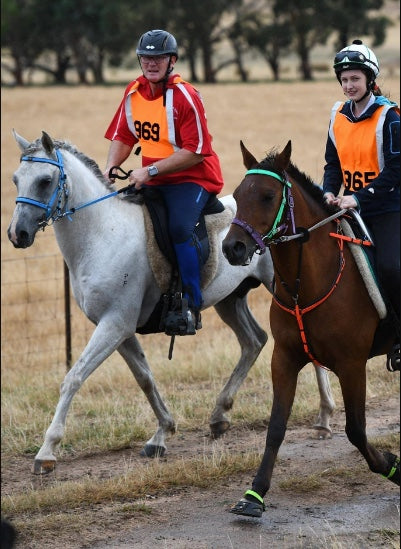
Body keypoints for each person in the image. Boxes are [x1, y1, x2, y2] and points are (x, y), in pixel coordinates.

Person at [103, 29, 224, 335]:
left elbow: (196, 152)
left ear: (172, 61)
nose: (151, 63)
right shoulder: (133, 92)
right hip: (153, 178)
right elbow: (123, 135)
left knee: (179, 228)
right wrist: (110, 165)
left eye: (158, 57)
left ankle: (191, 304)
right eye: (146, 57)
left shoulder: (185, 96)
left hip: (193, 178)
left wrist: (151, 172)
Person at [323, 39, 400, 371]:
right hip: (346, 206)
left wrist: (359, 196)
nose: (348, 85)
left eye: (355, 78)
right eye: (344, 79)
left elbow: (397, 169)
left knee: (391, 267)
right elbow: (332, 165)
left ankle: (398, 338)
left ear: (370, 79)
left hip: (387, 209)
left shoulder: (390, 116)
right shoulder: (337, 115)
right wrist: (328, 192)